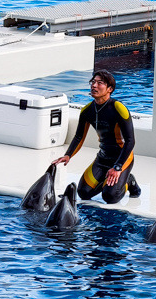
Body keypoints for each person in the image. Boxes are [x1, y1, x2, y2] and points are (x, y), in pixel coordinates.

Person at [52, 69, 140, 203]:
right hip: (103, 158)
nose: (94, 85)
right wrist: (68, 155)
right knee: (83, 192)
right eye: (93, 82)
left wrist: (118, 167)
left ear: (109, 89)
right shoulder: (87, 110)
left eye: (100, 83)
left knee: (110, 196)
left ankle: (129, 181)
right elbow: (78, 137)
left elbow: (130, 141)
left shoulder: (118, 108)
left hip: (122, 158)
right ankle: (111, 180)